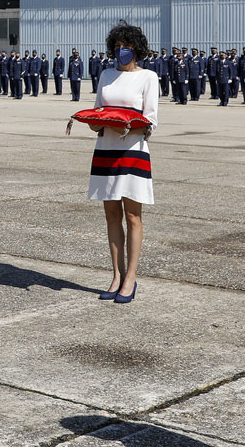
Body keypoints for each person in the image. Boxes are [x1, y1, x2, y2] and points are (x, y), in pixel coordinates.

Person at [89, 21, 158, 304]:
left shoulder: (148, 77)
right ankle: (115, 275)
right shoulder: (105, 75)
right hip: (105, 148)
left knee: (132, 216)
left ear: (137, 49)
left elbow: (151, 120)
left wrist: (127, 127)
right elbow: (96, 112)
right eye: (117, 47)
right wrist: (94, 123)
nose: (122, 52)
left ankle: (130, 278)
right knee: (111, 215)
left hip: (132, 151)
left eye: (127, 47)